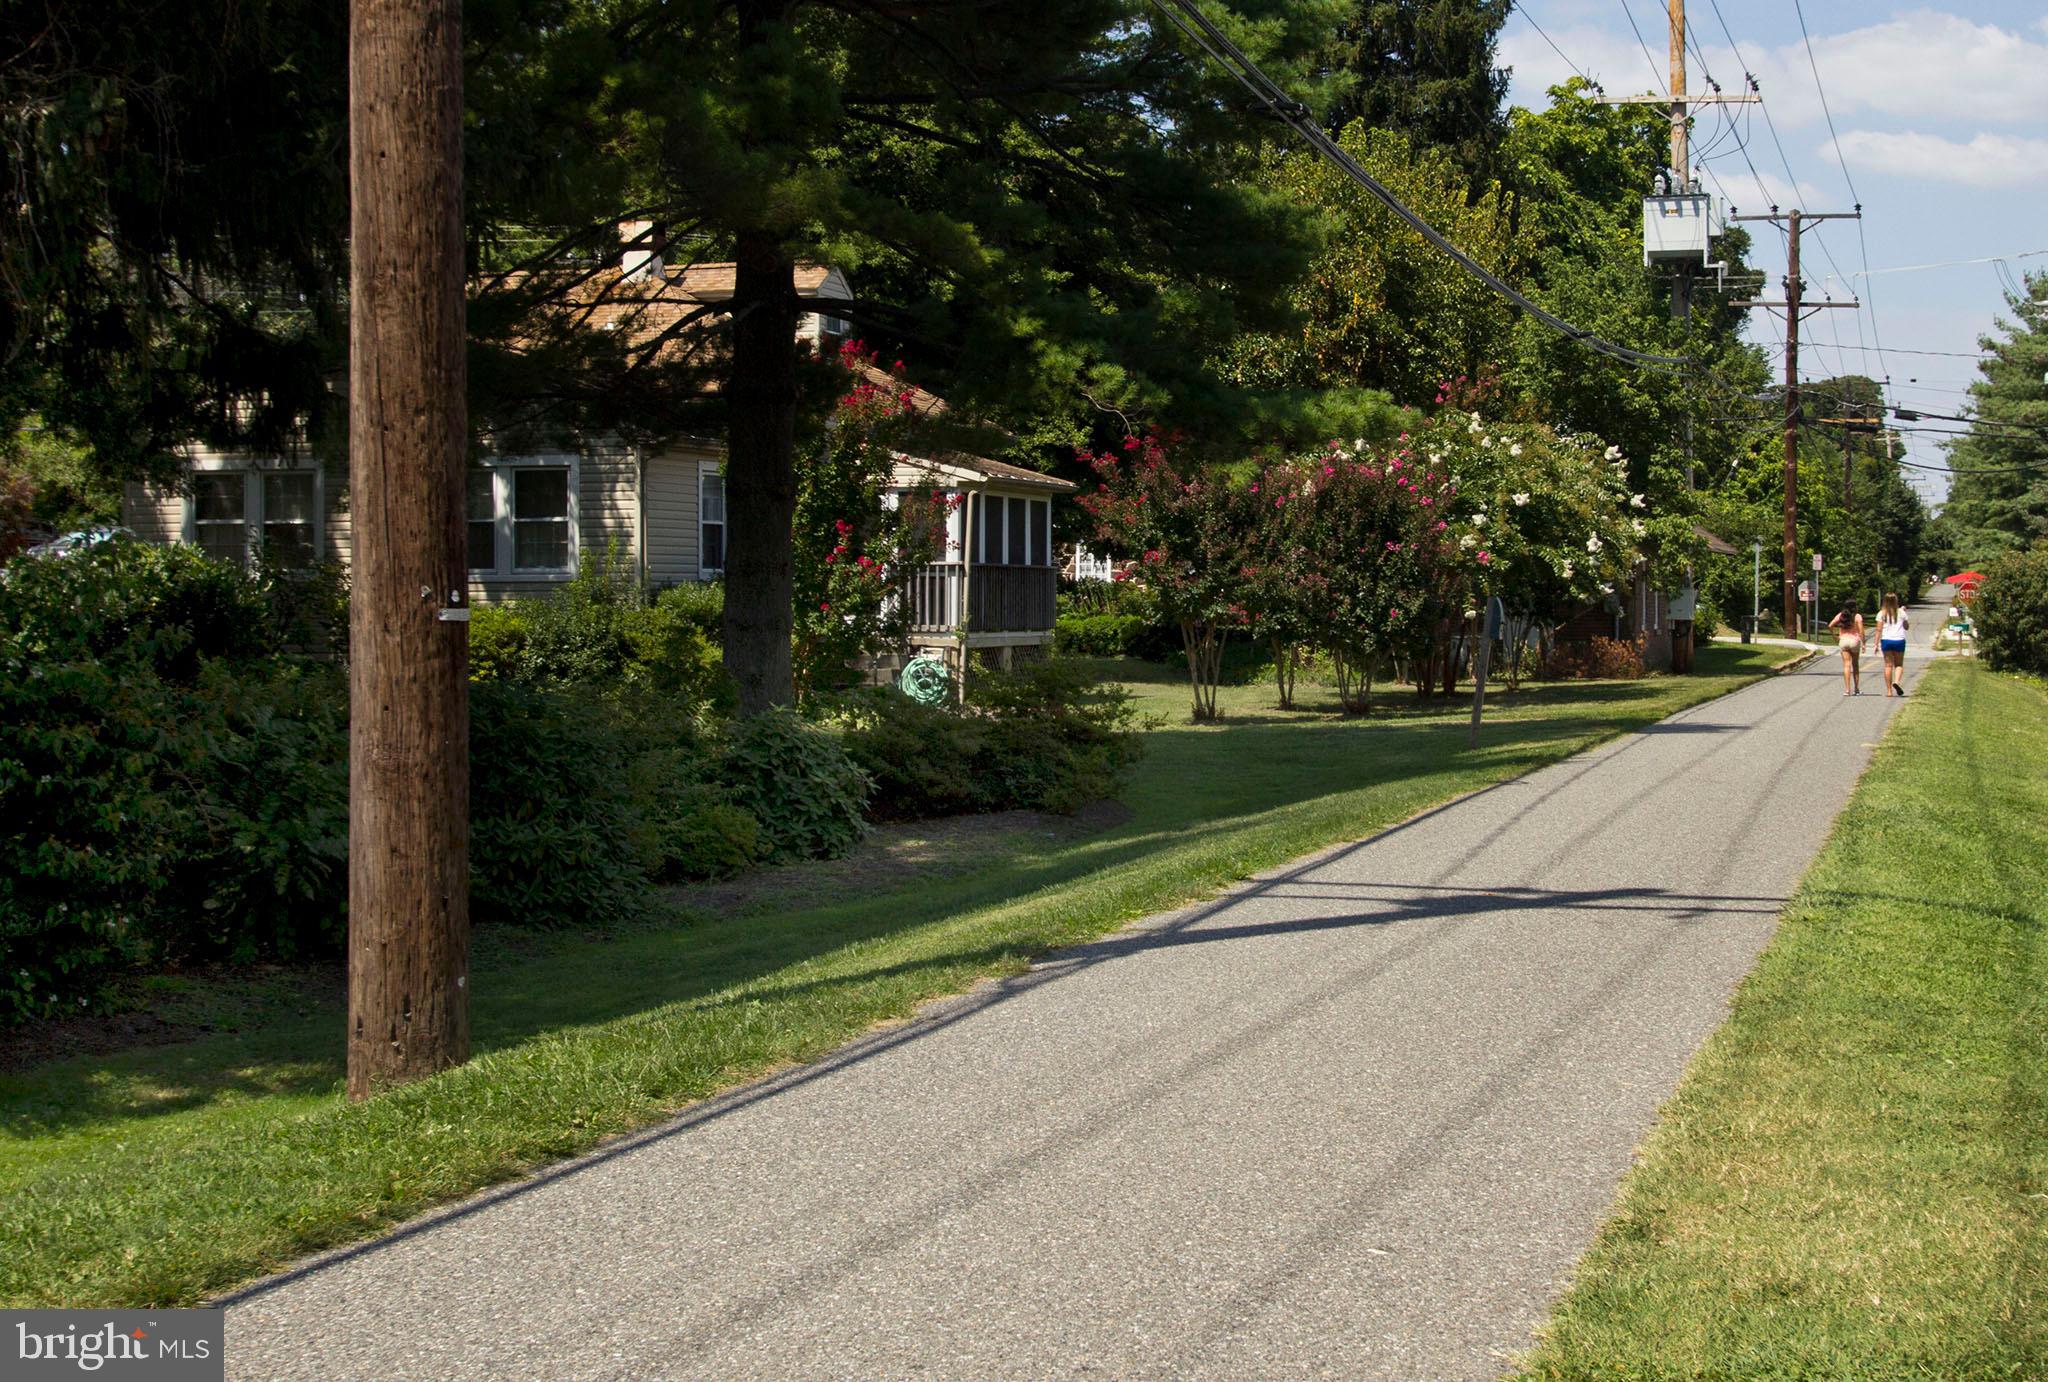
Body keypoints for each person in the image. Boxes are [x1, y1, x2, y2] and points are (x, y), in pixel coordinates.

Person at [1826, 600, 1864, 695]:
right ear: (1854, 607)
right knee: (1855, 665)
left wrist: (1835, 636)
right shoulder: (1857, 616)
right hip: (1854, 641)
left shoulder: (1841, 615)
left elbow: (1830, 625)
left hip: (1843, 641)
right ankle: (1856, 689)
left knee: (1847, 665)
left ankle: (1847, 690)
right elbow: (1861, 631)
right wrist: (1863, 643)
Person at [1876, 592, 1910, 696]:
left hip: (1886, 640)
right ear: (1896, 601)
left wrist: (1876, 644)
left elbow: (1878, 629)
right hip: (1899, 640)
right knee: (1899, 664)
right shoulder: (1901, 612)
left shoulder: (1881, 613)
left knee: (1888, 666)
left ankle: (1889, 691)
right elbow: (1906, 627)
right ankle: (1897, 682)